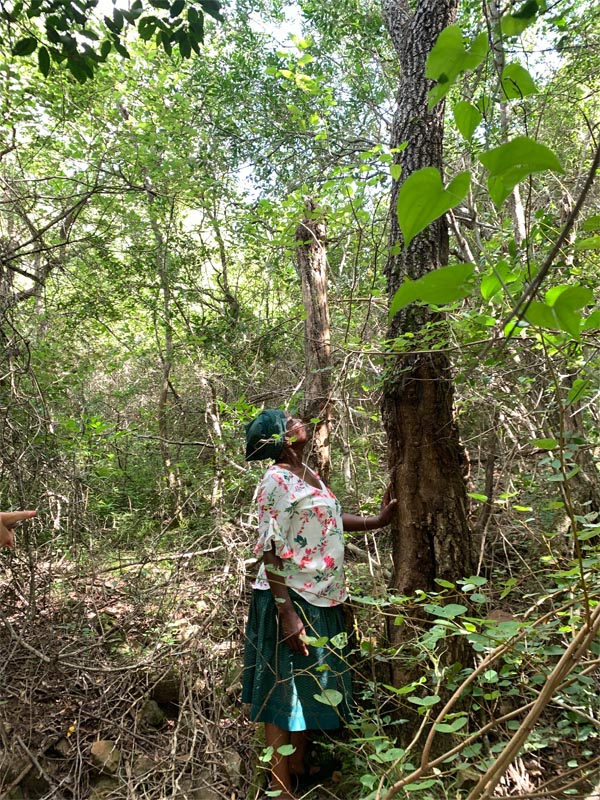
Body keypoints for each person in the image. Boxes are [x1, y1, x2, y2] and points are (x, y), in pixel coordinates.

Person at [242, 409, 396, 799]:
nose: (299, 422)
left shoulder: (307, 475)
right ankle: (281, 788)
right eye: (289, 420)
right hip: (289, 597)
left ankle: (299, 767)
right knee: (281, 692)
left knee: (306, 688)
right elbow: (270, 549)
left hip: (322, 597)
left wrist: (376, 521)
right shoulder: (274, 479)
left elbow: (329, 521)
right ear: (280, 437)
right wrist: (287, 613)